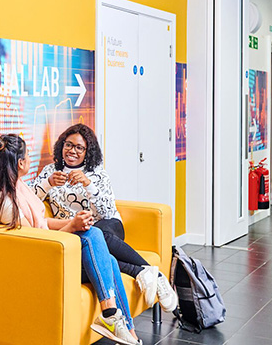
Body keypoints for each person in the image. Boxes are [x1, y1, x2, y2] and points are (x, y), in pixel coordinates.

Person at [0, 134, 143, 345]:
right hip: (39, 263)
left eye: (79, 148)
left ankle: (124, 328)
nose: (29, 158)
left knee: (102, 248)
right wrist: (71, 227)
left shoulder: (16, 185)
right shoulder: (3, 202)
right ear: (20, 163)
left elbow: (42, 223)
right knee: (96, 240)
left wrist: (74, 221)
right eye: (27, 155)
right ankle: (114, 312)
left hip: (46, 251)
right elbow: (36, 244)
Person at [31, 123, 178, 312]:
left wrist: (89, 185)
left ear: (87, 152)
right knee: (96, 247)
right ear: (61, 146)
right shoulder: (50, 171)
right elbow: (30, 202)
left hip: (108, 227)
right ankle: (147, 272)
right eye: (68, 145)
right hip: (75, 232)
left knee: (97, 234)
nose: (72, 151)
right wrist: (48, 183)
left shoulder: (97, 173)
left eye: (79, 148)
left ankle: (149, 273)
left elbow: (108, 211)